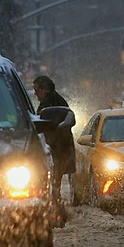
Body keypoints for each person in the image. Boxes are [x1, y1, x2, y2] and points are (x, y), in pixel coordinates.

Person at [33, 76, 76, 222]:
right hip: (58, 148)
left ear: (45, 90)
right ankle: (57, 212)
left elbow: (58, 123)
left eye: (36, 89)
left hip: (57, 148)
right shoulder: (53, 102)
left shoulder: (52, 105)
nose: (35, 93)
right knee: (54, 184)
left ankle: (57, 214)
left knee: (54, 184)